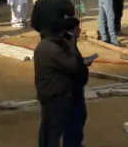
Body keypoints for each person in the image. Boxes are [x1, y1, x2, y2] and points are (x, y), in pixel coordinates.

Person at [35, 12, 92, 147]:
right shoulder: (54, 49)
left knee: (49, 128)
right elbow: (72, 65)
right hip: (56, 93)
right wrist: (71, 46)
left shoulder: (47, 45)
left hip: (52, 91)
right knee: (55, 129)